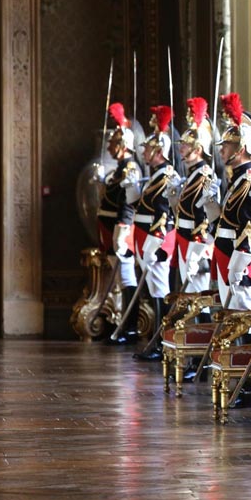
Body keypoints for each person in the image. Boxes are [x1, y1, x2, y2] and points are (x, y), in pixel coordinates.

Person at [202, 92, 251, 315]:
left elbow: (249, 228)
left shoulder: (249, 182)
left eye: (226, 146)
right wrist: (211, 205)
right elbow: (225, 222)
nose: (221, 150)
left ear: (240, 149)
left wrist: (239, 264)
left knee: (240, 319)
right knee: (231, 317)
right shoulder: (237, 180)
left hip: (239, 259)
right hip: (226, 254)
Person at [131, 105, 179, 362]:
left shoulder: (166, 176)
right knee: (153, 289)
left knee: (160, 290)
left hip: (156, 240)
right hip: (145, 237)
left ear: (159, 151)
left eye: (149, 149)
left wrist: (156, 242)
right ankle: (157, 341)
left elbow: (164, 214)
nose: (145, 153)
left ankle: (162, 343)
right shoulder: (154, 175)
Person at [99, 102, 142, 346]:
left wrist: (123, 229)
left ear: (123, 145)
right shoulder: (119, 169)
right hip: (109, 229)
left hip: (120, 229)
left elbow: (129, 202)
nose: (109, 147)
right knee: (119, 279)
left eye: (113, 143)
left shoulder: (131, 168)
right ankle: (122, 324)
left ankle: (131, 326)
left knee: (126, 276)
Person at [174, 96, 218, 300]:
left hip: (195, 243)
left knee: (199, 301)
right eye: (181, 143)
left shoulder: (204, 176)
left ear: (198, 149)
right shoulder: (192, 175)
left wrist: (196, 248)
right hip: (184, 238)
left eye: (186, 144)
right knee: (189, 298)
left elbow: (203, 218)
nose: (181, 147)